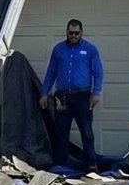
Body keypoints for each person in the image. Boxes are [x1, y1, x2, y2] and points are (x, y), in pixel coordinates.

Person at [41, 19, 105, 171]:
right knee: (61, 132)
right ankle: (61, 166)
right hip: (62, 97)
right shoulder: (58, 49)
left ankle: (91, 165)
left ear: (81, 32)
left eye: (76, 33)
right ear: (67, 32)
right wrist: (44, 93)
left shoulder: (90, 49)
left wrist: (96, 93)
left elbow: (98, 72)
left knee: (87, 132)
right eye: (71, 33)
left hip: (83, 96)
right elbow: (51, 72)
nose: (73, 36)